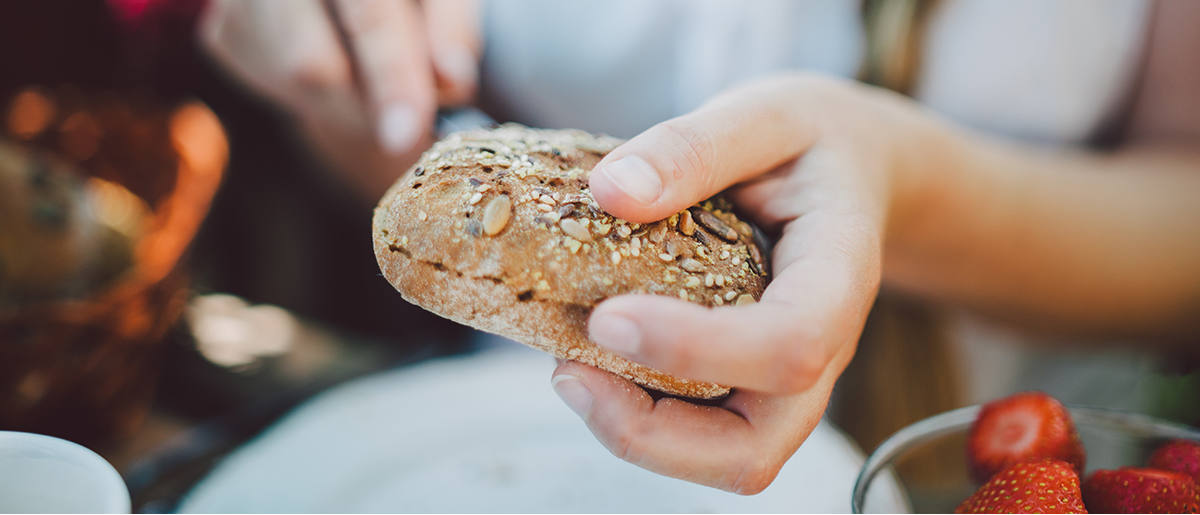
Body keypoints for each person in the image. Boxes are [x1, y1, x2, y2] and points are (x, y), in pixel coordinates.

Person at [201, 0, 1200, 494]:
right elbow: (424, 195)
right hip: (506, 450)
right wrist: (343, 67)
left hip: (982, 481)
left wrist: (894, 187)